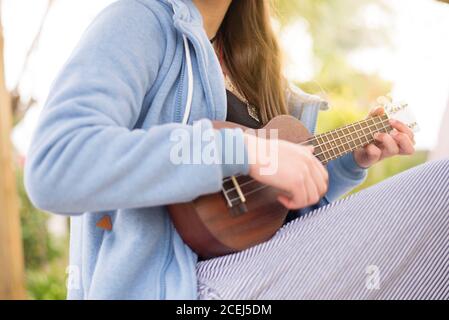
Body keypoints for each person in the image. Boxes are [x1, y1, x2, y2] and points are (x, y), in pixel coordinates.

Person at [25, 0, 448, 300]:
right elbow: (54, 165)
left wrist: (346, 165)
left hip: (248, 276)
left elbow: (260, 215)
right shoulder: (138, 20)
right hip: (178, 288)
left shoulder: (254, 65)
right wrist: (246, 149)